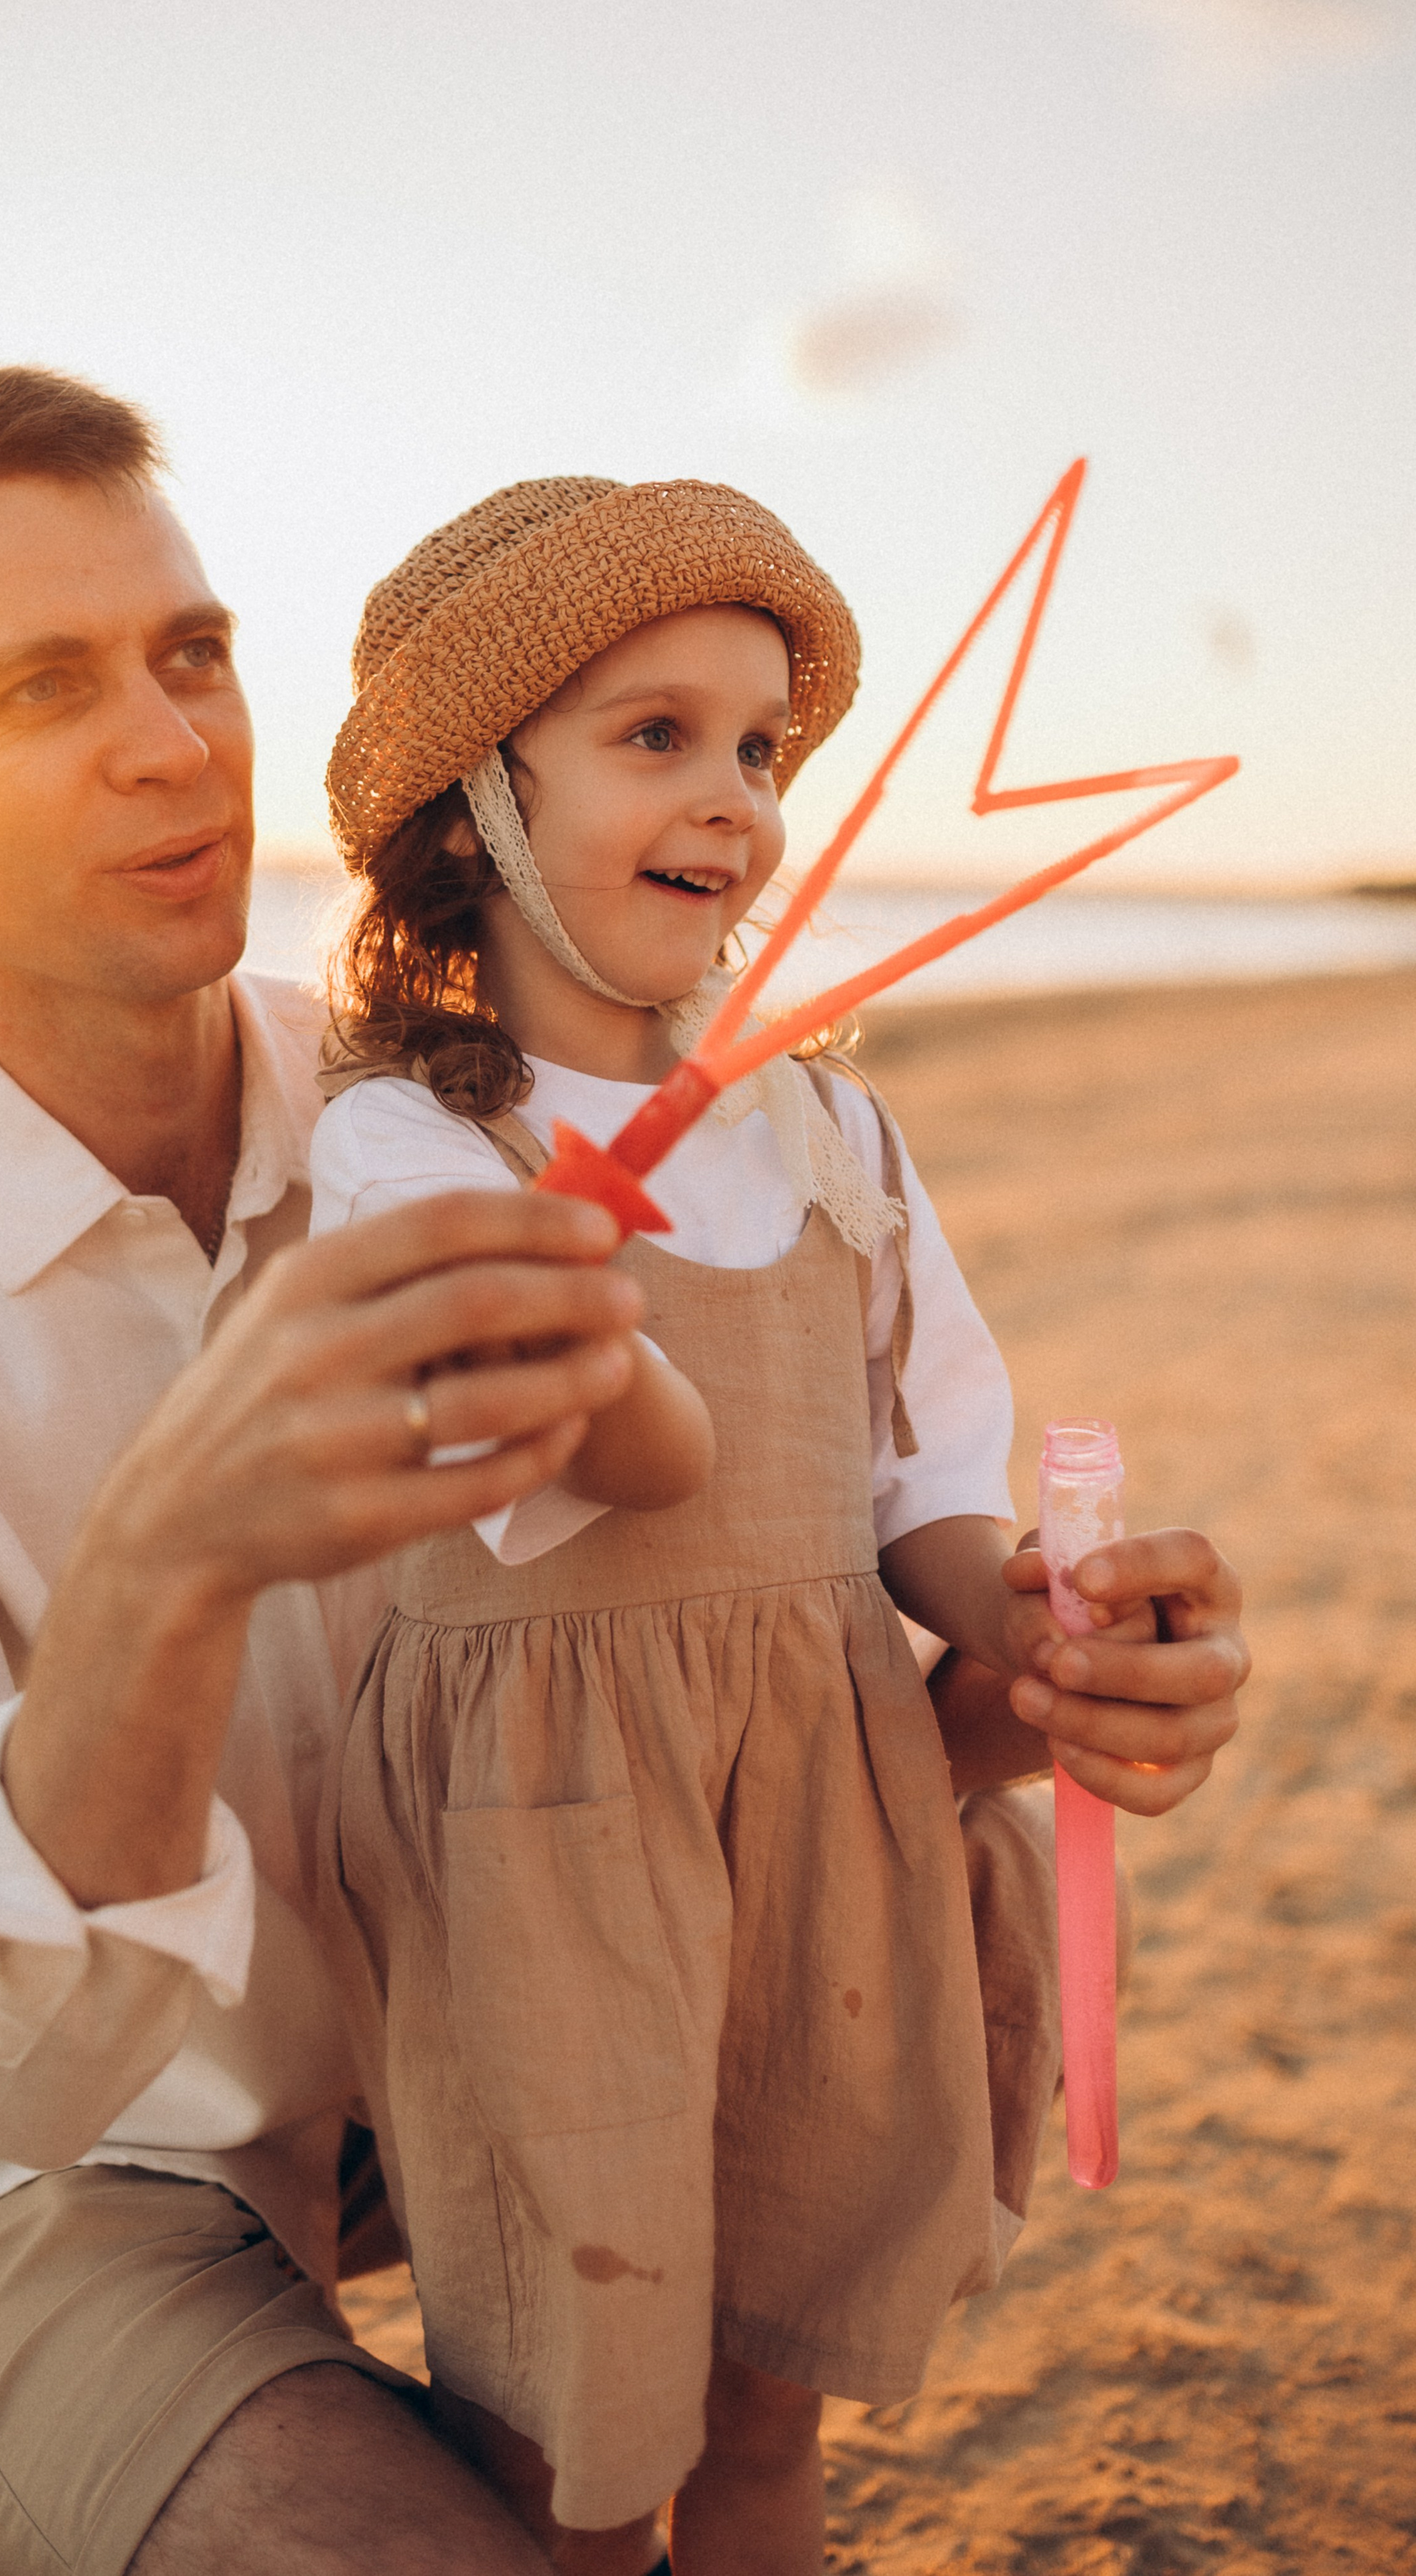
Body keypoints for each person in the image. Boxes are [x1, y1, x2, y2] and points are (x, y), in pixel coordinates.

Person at [0, 371, 1247, 2576]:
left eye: (193, 654)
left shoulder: (439, 1090)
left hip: (492, 1992)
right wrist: (168, 1559)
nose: (171, 745)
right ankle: (13, 2465)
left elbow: (739, 1632)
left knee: (747, 2409)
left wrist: (1042, 1688)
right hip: (72, 2145)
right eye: (43, 687)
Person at [306, 475, 1234, 2576]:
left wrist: (1041, 1616)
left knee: (763, 2417)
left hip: (826, 1819)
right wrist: (592, 1251)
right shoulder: (402, 1147)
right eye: (657, 734)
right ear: (480, 801)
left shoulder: (831, 1132)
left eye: (761, 747)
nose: (734, 794)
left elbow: (921, 1484)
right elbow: (610, 1456)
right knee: (569, 2447)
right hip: (553, 1846)